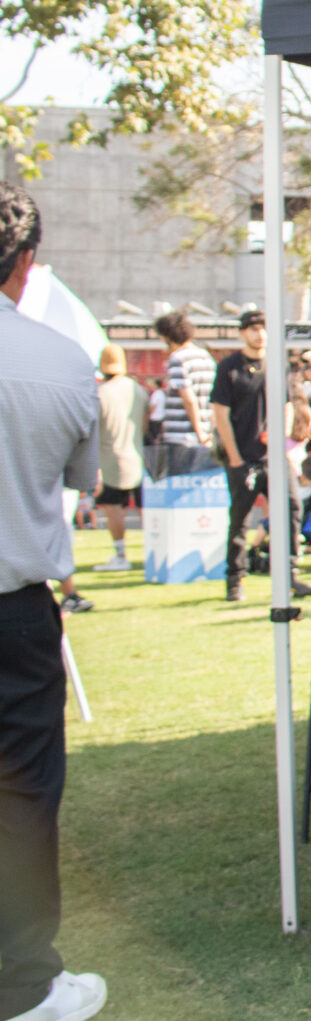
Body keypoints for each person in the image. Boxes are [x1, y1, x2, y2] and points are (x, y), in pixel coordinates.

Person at [0, 184, 107, 1021]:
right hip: (13, 610)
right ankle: (26, 983)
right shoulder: (61, 359)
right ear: (27, 264)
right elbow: (84, 481)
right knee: (22, 794)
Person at [211, 310, 311, 603]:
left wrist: (281, 445)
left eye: (263, 328)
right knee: (240, 519)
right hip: (241, 457)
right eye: (253, 329)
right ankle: (235, 579)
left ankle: (290, 574)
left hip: (274, 457)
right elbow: (221, 414)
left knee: (292, 508)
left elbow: (286, 406)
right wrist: (234, 458)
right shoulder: (229, 367)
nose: (259, 334)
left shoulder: (277, 365)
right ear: (242, 332)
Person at [88, 345, 148, 583]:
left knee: (114, 509)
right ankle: (152, 551)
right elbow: (145, 423)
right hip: (138, 455)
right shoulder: (137, 389)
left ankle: (121, 554)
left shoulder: (99, 393)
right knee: (145, 509)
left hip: (110, 458)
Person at [153, 310, 214, 461]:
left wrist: (198, 432)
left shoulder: (178, 359)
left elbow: (188, 399)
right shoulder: (206, 356)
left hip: (183, 436)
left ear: (167, 336)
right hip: (207, 433)